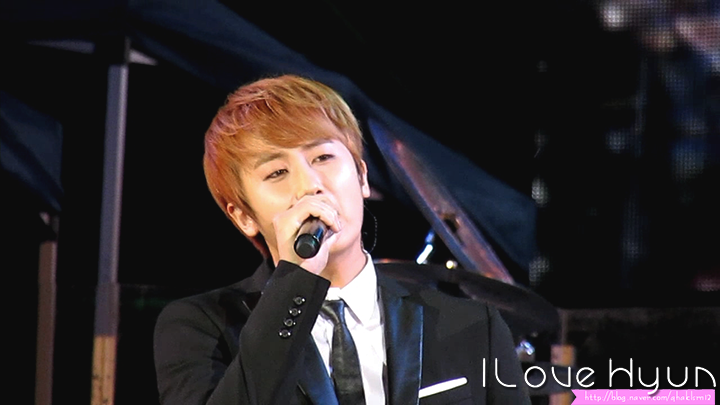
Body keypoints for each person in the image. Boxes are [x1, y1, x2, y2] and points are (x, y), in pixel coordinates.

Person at [153, 74, 530, 404]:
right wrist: (295, 286)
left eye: (322, 158)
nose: (309, 185)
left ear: (362, 178)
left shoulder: (473, 326)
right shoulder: (202, 327)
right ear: (244, 216)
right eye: (277, 172)